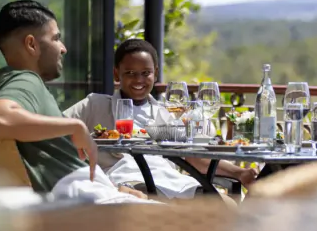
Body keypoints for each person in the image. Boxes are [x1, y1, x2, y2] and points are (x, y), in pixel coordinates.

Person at [0, 0, 150, 204]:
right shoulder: (24, 80)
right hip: (88, 206)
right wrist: (75, 126)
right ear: (31, 44)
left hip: (95, 196)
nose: (63, 48)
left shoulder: (13, 83)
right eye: (56, 38)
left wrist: (114, 188)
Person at [64, 38, 258, 197]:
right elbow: (58, 126)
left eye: (145, 73)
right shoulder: (95, 105)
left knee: (225, 205)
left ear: (155, 73)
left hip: (170, 179)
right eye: (130, 73)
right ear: (117, 73)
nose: (139, 80)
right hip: (126, 182)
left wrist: (240, 173)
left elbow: (193, 158)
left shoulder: (165, 113)